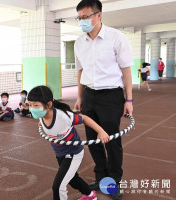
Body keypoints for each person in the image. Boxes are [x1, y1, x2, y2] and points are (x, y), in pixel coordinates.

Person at [74, 1, 133, 199]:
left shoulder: (117, 38)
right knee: (93, 140)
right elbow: (80, 71)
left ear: (99, 15)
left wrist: (129, 100)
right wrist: (80, 97)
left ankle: (114, 182)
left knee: (112, 141)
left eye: (86, 17)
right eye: (79, 18)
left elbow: (126, 70)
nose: (82, 21)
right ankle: (101, 178)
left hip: (111, 96)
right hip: (89, 95)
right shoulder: (79, 42)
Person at [28, 86, 110, 200]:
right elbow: (45, 122)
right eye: (30, 104)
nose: (32, 108)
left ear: (49, 105)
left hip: (73, 153)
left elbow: (84, 118)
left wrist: (101, 131)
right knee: (72, 178)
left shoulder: (63, 117)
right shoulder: (41, 115)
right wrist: (41, 123)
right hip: (60, 153)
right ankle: (90, 195)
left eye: (36, 105)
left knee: (58, 186)